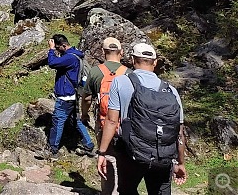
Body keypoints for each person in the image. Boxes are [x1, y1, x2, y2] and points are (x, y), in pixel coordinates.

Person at [97, 43, 186, 195]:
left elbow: (111, 121)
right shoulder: (171, 90)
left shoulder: (120, 82)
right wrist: (180, 162)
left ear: (132, 60)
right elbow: (179, 132)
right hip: (163, 157)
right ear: (155, 62)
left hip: (131, 155)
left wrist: (102, 153)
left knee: (127, 190)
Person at [81, 37, 130, 195]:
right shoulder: (128, 73)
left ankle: (109, 191)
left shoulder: (96, 71)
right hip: (125, 124)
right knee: (124, 160)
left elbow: (87, 98)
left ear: (103, 52)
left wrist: (84, 115)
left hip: (103, 121)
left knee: (107, 157)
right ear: (121, 52)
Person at [46, 34, 95, 158]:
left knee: (58, 121)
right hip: (73, 95)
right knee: (76, 121)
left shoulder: (70, 58)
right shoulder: (75, 55)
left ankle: (53, 150)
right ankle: (88, 145)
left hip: (65, 96)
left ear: (63, 45)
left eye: (58, 48)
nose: (57, 50)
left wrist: (51, 50)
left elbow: (52, 63)